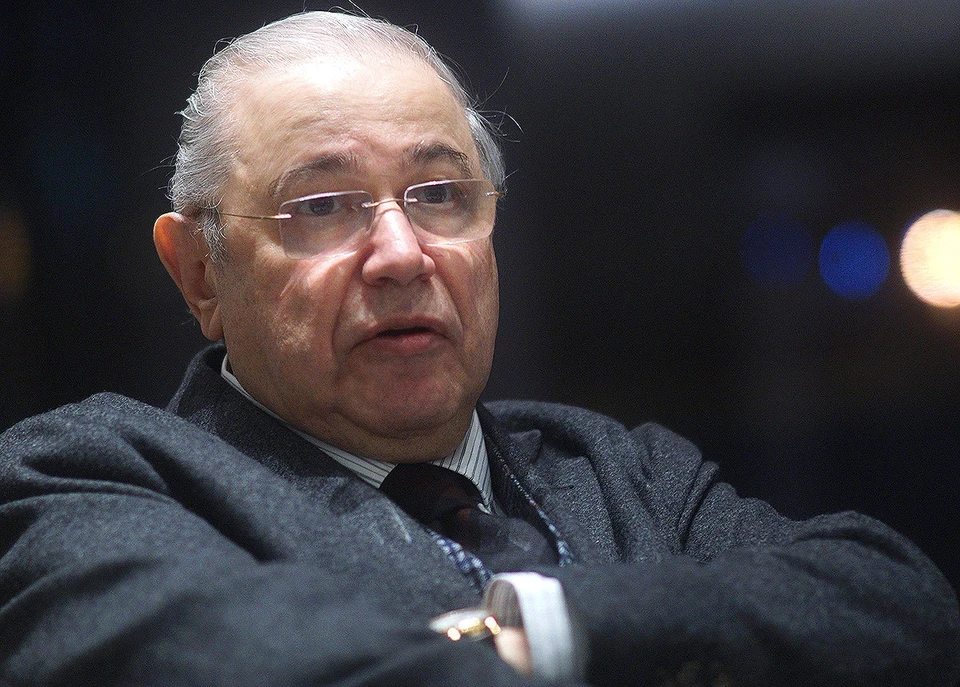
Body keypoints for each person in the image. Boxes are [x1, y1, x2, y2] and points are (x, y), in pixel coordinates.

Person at [0, 10, 957, 686]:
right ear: (200, 273)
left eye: (440, 195)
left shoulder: (619, 469)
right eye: (322, 206)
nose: (401, 253)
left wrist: (553, 628)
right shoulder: (88, 478)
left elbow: (901, 608)